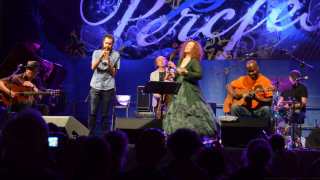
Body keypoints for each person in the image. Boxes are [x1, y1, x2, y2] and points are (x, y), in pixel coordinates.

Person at [163, 40, 220, 137]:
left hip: (189, 91)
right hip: (177, 92)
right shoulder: (180, 60)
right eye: (187, 45)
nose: (187, 47)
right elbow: (178, 76)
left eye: (191, 46)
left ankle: (193, 136)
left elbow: (199, 75)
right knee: (176, 113)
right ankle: (179, 135)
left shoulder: (194, 61)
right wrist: (172, 75)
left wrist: (185, 72)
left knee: (193, 112)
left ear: (194, 49)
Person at [89, 34, 120, 136]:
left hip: (108, 86)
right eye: (106, 43)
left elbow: (114, 73)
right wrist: (101, 57)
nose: (107, 45)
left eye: (110, 44)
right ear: (103, 42)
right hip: (95, 85)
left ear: (112, 45)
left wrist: (109, 61)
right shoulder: (96, 52)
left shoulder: (116, 55)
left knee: (105, 114)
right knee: (93, 112)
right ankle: (91, 134)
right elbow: (93, 67)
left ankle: (104, 135)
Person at [276, 70, 308, 142]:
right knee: (274, 117)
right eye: (294, 79)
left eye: (297, 80)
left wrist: (290, 107)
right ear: (289, 78)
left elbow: (303, 103)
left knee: (294, 115)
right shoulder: (286, 88)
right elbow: (281, 100)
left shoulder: (303, 87)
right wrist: (278, 105)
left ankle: (293, 140)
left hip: (298, 111)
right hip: (285, 111)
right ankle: (278, 139)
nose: (295, 81)